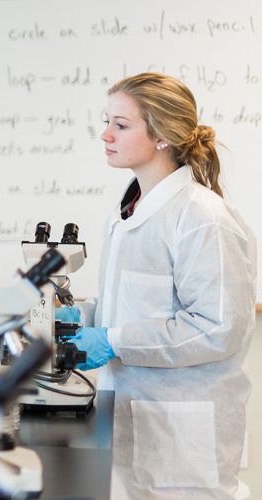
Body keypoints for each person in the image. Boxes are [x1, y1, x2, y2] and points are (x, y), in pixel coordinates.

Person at [61, 72, 254, 499]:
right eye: (107, 121)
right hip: (130, 416)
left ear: (162, 136)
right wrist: (86, 317)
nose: (105, 134)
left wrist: (112, 339)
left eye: (121, 125)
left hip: (181, 432)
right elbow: (135, 304)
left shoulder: (202, 218)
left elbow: (218, 327)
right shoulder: (129, 210)